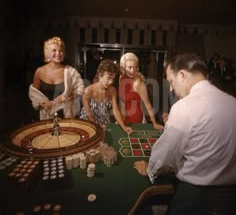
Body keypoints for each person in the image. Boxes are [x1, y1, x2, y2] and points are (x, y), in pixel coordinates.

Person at [133, 53, 236, 215]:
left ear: (182, 75)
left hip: (196, 199)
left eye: (171, 81)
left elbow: (164, 157)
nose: (172, 88)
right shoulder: (232, 102)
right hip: (229, 201)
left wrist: (149, 169)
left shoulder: (184, 107)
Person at [29, 36, 84, 120]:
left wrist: (66, 98)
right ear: (47, 53)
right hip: (46, 116)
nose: (58, 53)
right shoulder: (39, 71)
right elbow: (34, 95)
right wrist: (42, 104)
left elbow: (80, 90)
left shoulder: (70, 72)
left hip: (66, 116)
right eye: (54, 50)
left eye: (61, 51)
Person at [80, 59, 132, 134]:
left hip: (104, 120)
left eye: (113, 79)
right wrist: (98, 129)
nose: (111, 82)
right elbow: (88, 114)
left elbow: (115, 110)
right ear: (100, 75)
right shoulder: (87, 91)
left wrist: (124, 127)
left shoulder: (113, 90)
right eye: (108, 78)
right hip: (89, 121)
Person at [119, 52, 163, 130]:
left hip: (136, 120)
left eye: (135, 67)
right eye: (130, 67)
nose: (133, 70)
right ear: (123, 67)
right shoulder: (121, 79)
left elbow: (148, 105)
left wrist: (155, 123)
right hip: (124, 118)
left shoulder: (138, 83)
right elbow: (122, 100)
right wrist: (121, 117)